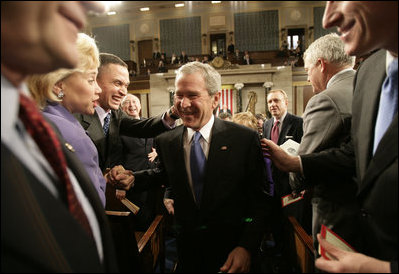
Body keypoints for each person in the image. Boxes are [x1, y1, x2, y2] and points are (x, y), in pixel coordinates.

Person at [262, 1, 397, 272]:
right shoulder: (369, 72)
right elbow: (357, 154)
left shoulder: (326, 99)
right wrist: (296, 163)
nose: (327, 17)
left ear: (320, 66)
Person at [112, 62, 272, 272]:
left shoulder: (243, 138)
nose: (183, 104)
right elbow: (162, 175)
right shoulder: (166, 141)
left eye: (192, 95)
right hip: (188, 253)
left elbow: (259, 199)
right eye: (179, 95)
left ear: (215, 99)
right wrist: (134, 179)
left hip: (234, 253)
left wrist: (246, 247)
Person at [1, 2, 119, 272]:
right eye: (91, 79)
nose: (95, 5)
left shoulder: (32, 122)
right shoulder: (61, 131)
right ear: (58, 84)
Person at [27, 33, 133, 207]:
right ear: (58, 84)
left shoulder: (37, 119)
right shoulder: (72, 136)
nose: (97, 89)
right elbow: (90, 209)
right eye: (91, 80)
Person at [293, 33, 361, 255]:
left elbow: (303, 170)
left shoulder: (326, 99)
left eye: (308, 71)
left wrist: (292, 167)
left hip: (338, 221)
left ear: (321, 64)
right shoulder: (371, 87)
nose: (308, 80)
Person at [262, 88, 306, 272]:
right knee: (275, 224)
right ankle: (278, 254)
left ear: (285, 102)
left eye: (276, 101)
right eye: (270, 101)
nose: (273, 105)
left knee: (290, 226)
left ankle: (290, 261)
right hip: (272, 186)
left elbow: (305, 153)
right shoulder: (266, 124)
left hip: (290, 186)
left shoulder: (298, 123)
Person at [120, 94, 159, 230]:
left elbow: (158, 143)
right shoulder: (119, 129)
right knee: (139, 221)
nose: (132, 105)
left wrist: (157, 152)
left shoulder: (149, 124)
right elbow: (115, 159)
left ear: (140, 105)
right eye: (127, 103)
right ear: (122, 108)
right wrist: (119, 186)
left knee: (154, 219)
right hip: (132, 182)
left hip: (152, 179)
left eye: (135, 102)